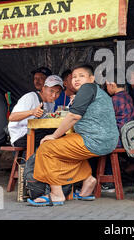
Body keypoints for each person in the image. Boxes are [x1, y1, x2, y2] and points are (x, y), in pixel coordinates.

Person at [28, 64, 119, 206]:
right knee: (67, 148)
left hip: (93, 140)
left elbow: (74, 116)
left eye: (81, 76)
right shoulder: (96, 91)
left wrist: (54, 135)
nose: (76, 79)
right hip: (107, 140)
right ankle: (88, 181)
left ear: (91, 78)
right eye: (74, 77)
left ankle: (56, 194)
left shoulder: (88, 88)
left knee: (47, 148)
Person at [8, 75, 63, 149]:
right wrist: (32, 112)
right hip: (20, 136)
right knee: (55, 135)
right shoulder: (30, 97)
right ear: (43, 89)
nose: (54, 95)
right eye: (51, 91)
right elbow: (11, 117)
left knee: (61, 131)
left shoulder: (51, 103)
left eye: (58, 92)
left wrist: (56, 115)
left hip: (36, 133)